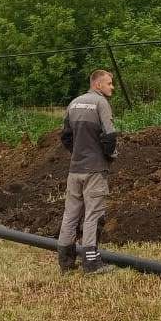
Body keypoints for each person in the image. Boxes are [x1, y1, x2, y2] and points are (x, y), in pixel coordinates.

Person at [57, 70, 119, 275]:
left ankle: (65, 263)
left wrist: (76, 153)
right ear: (98, 85)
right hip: (94, 169)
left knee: (70, 214)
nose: (112, 87)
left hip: (75, 170)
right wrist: (108, 157)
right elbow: (110, 136)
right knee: (93, 215)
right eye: (109, 83)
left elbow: (65, 136)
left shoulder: (74, 103)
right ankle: (91, 263)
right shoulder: (101, 103)